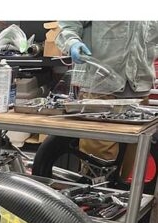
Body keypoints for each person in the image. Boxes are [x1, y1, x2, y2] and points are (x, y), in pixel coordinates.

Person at [34, 21, 158, 184]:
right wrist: (72, 43)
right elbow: (67, 26)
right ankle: (90, 198)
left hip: (140, 92)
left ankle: (117, 196)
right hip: (99, 91)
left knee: (125, 166)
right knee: (99, 165)